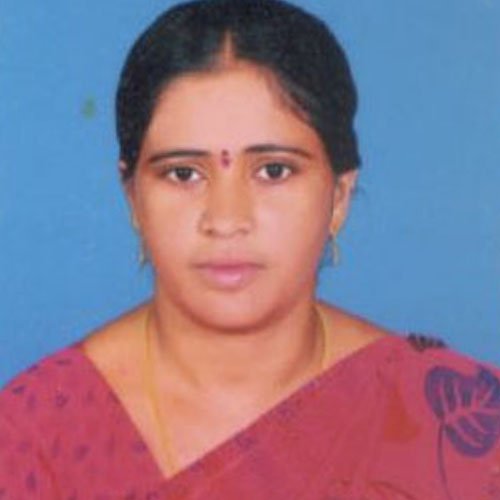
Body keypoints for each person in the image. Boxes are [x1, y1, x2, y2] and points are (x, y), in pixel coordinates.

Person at [1, 0, 499, 498]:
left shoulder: (451, 421)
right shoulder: (35, 435)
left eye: (273, 170)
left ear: (339, 196)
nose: (227, 220)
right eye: (183, 174)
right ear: (133, 196)